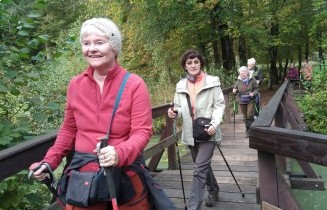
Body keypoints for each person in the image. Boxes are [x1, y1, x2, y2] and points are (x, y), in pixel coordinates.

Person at [28, 18, 153, 210]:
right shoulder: (75, 85)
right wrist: (49, 161)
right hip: (83, 182)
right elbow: (69, 130)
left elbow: (142, 132)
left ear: (114, 47)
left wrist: (119, 153)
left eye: (99, 42)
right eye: (87, 43)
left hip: (124, 178)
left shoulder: (134, 84)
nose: (92, 48)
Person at [167, 49, 225, 209]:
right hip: (191, 133)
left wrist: (214, 124)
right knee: (202, 166)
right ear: (185, 66)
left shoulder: (212, 81)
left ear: (201, 63)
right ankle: (213, 190)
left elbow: (219, 105)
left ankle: (193, 206)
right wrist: (174, 112)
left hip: (208, 131)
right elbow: (178, 107)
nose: (193, 65)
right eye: (189, 63)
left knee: (199, 170)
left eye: (196, 62)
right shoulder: (180, 85)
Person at [233, 66, 259, 137]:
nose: (241, 74)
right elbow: (235, 88)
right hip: (241, 100)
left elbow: (256, 88)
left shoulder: (252, 79)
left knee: (249, 114)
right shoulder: (238, 80)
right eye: (240, 73)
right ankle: (248, 130)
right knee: (245, 116)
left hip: (250, 99)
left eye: (243, 73)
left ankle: (251, 130)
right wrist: (234, 90)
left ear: (247, 72)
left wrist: (253, 93)